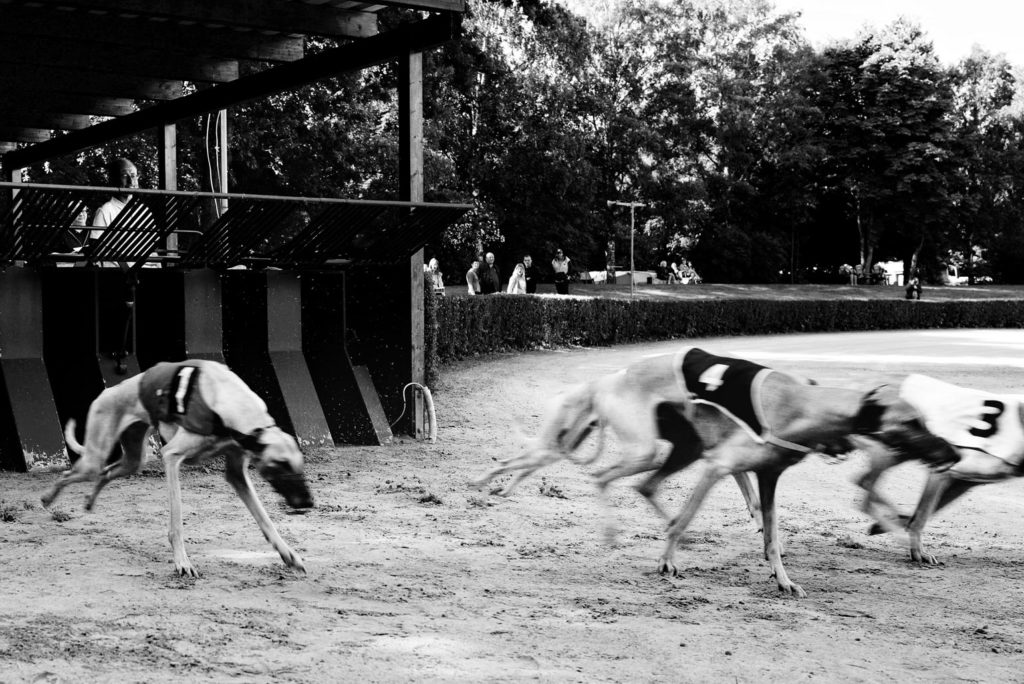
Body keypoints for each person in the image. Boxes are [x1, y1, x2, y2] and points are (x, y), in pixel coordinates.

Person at [89, 158, 140, 243]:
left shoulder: (143, 211)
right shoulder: (105, 211)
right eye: (124, 175)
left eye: (133, 175)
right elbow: (96, 249)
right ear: (114, 180)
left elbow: (153, 248)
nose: (130, 181)